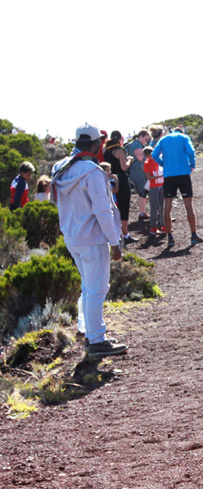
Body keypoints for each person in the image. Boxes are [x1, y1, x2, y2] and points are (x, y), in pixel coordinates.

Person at [51, 123, 127, 358]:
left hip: (72, 236)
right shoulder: (92, 172)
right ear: (96, 144)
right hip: (92, 238)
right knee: (97, 289)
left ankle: (90, 332)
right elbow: (103, 210)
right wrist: (114, 242)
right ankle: (96, 340)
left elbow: (56, 200)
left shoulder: (60, 168)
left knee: (88, 287)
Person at [152, 127, 203, 248]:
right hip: (183, 174)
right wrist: (192, 165)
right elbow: (191, 152)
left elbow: (154, 154)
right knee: (189, 206)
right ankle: (194, 235)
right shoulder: (184, 137)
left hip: (169, 175)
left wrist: (163, 164)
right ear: (182, 131)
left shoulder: (163, 139)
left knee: (167, 206)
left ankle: (170, 237)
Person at [104, 131, 136, 244]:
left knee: (113, 206)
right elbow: (124, 167)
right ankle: (125, 234)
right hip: (121, 180)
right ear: (119, 139)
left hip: (110, 179)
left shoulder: (105, 150)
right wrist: (130, 160)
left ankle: (114, 234)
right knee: (124, 206)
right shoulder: (120, 150)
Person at [126, 130, 151, 222]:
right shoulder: (137, 144)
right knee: (143, 192)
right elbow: (140, 157)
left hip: (136, 171)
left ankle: (142, 212)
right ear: (141, 136)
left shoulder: (132, 144)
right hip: (139, 171)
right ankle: (142, 213)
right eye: (146, 139)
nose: (146, 141)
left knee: (142, 192)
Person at [142, 146, 165, 236]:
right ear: (147, 156)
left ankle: (163, 225)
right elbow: (148, 177)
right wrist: (159, 176)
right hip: (153, 187)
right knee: (154, 207)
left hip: (161, 185)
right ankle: (153, 227)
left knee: (163, 206)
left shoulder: (158, 160)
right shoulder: (147, 163)